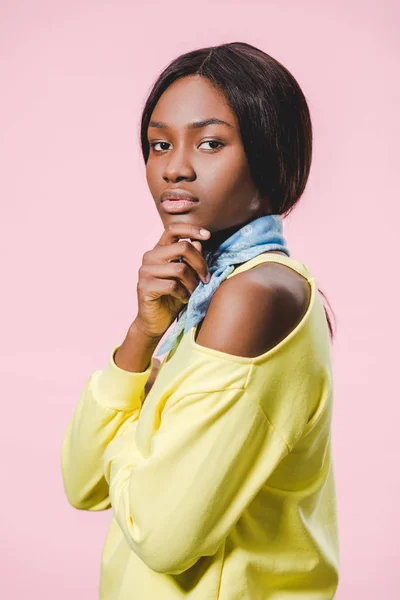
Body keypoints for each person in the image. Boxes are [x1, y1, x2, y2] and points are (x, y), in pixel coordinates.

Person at [61, 42, 340, 599]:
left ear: (271, 152)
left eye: (210, 142)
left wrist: (137, 439)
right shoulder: (204, 299)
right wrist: (144, 334)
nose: (175, 168)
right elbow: (83, 482)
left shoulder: (256, 295)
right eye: (159, 144)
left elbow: (163, 535)